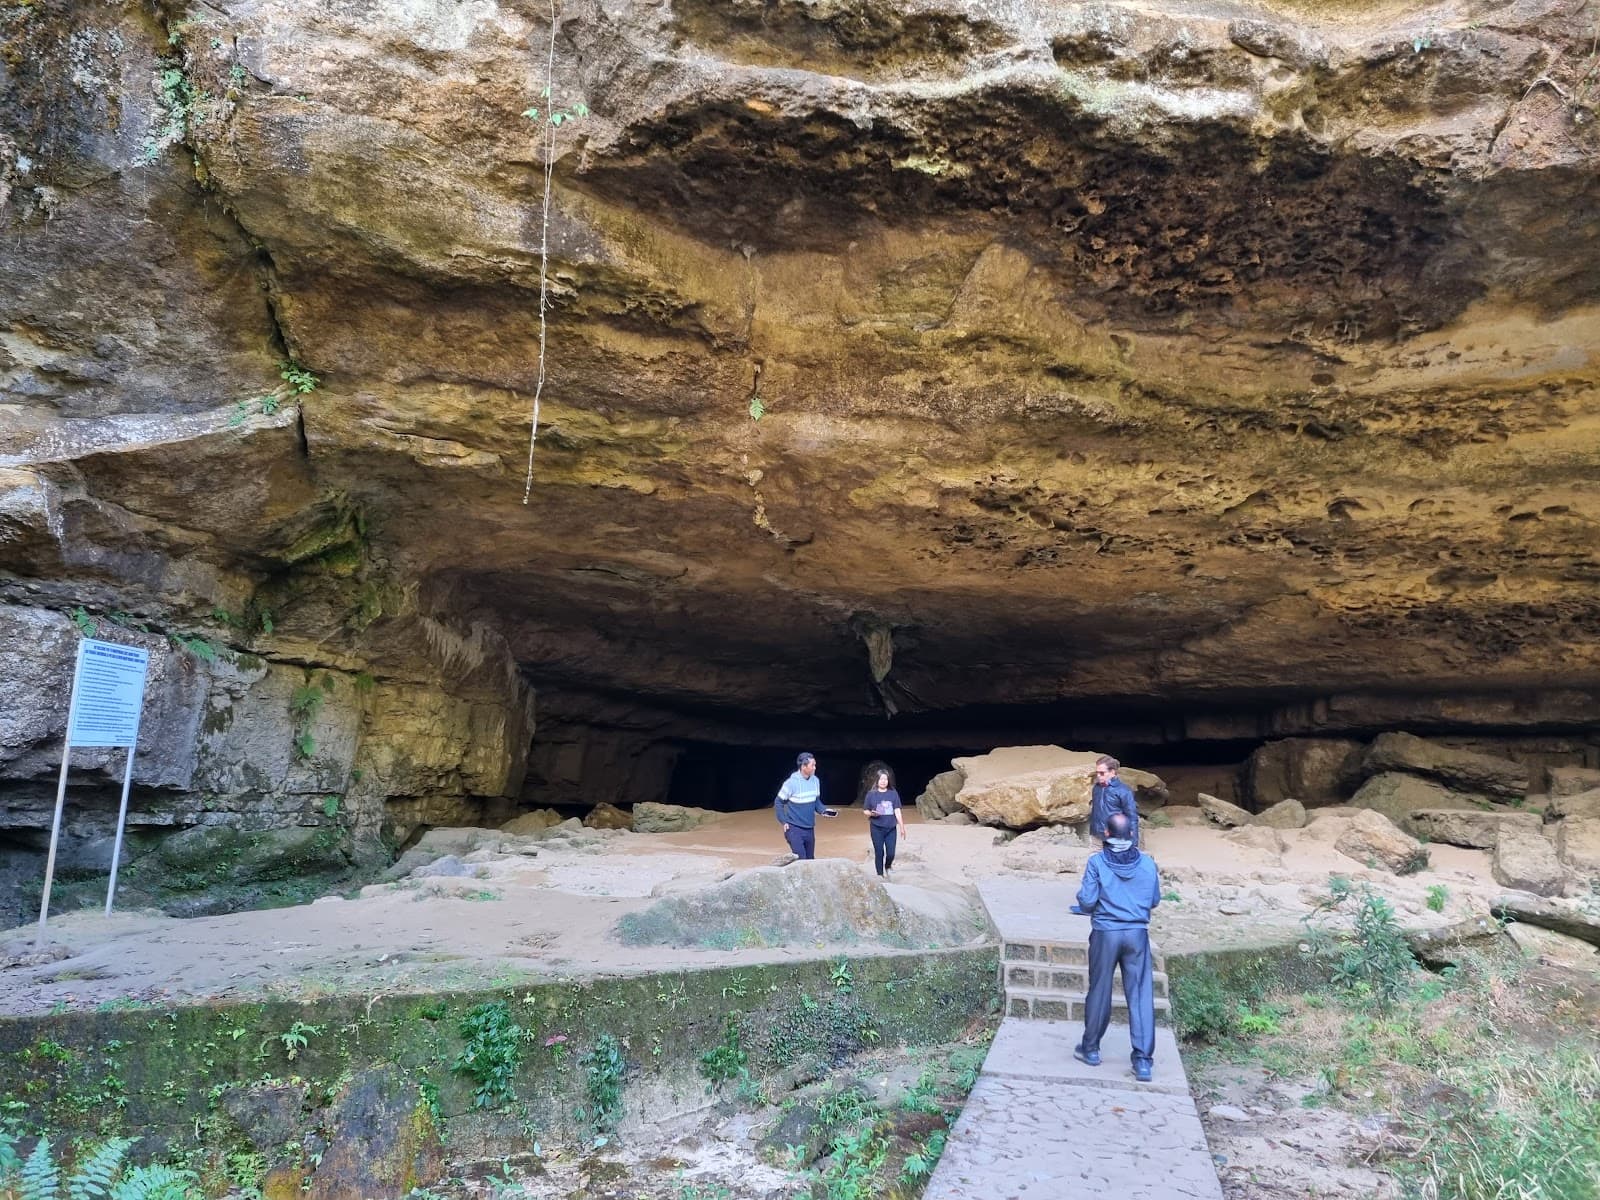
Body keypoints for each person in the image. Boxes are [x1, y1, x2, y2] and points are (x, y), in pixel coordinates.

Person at [1070, 811, 1161, 1083]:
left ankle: (1091, 1049)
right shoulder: (1147, 863)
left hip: (1106, 933)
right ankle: (1143, 1062)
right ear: (1132, 835)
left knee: (1100, 989)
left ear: (1106, 835)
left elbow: (1086, 901)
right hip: (1136, 935)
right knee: (1141, 993)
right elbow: (1154, 900)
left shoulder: (1096, 862)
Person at [774, 751, 837, 861]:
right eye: (812, 765)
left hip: (809, 828)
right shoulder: (791, 783)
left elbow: (816, 801)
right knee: (801, 860)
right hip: (794, 828)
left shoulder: (815, 781)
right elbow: (778, 802)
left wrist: (823, 811)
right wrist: (783, 821)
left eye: (815, 765)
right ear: (803, 766)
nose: (815, 768)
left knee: (810, 860)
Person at [857, 761, 906, 877]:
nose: (883, 781)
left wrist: (902, 827)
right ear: (877, 780)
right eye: (881, 779)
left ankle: (888, 866)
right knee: (879, 852)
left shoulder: (893, 794)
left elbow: (897, 810)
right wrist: (872, 814)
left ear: (888, 781)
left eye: (886, 779)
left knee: (891, 853)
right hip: (876, 828)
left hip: (891, 828)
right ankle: (880, 875)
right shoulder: (871, 794)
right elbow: (865, 810)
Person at [1089, 754, 1139, 843]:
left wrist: (1133, 842)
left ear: (1112, 772)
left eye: (1102, 773)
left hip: (1115, 837)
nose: (1098, 776)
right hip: (1096, 836)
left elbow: (1132, 817)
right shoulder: (1096, 788)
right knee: (1095, 857)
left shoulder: (1124, 791)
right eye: (1097, 772)